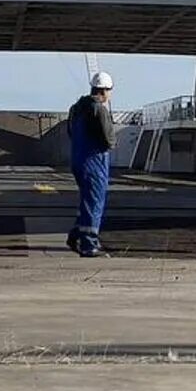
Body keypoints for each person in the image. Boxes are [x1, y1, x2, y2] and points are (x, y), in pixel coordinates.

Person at [66, 71, 116, 257]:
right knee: (95, 202)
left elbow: (70, 132)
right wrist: (110, 144)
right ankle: (89, 244)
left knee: (87, 201)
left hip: (78, 159)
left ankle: (76, 234)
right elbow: (108, 138)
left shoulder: (76, 108)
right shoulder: (99, 109)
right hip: (95, 161)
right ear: (104, 91)